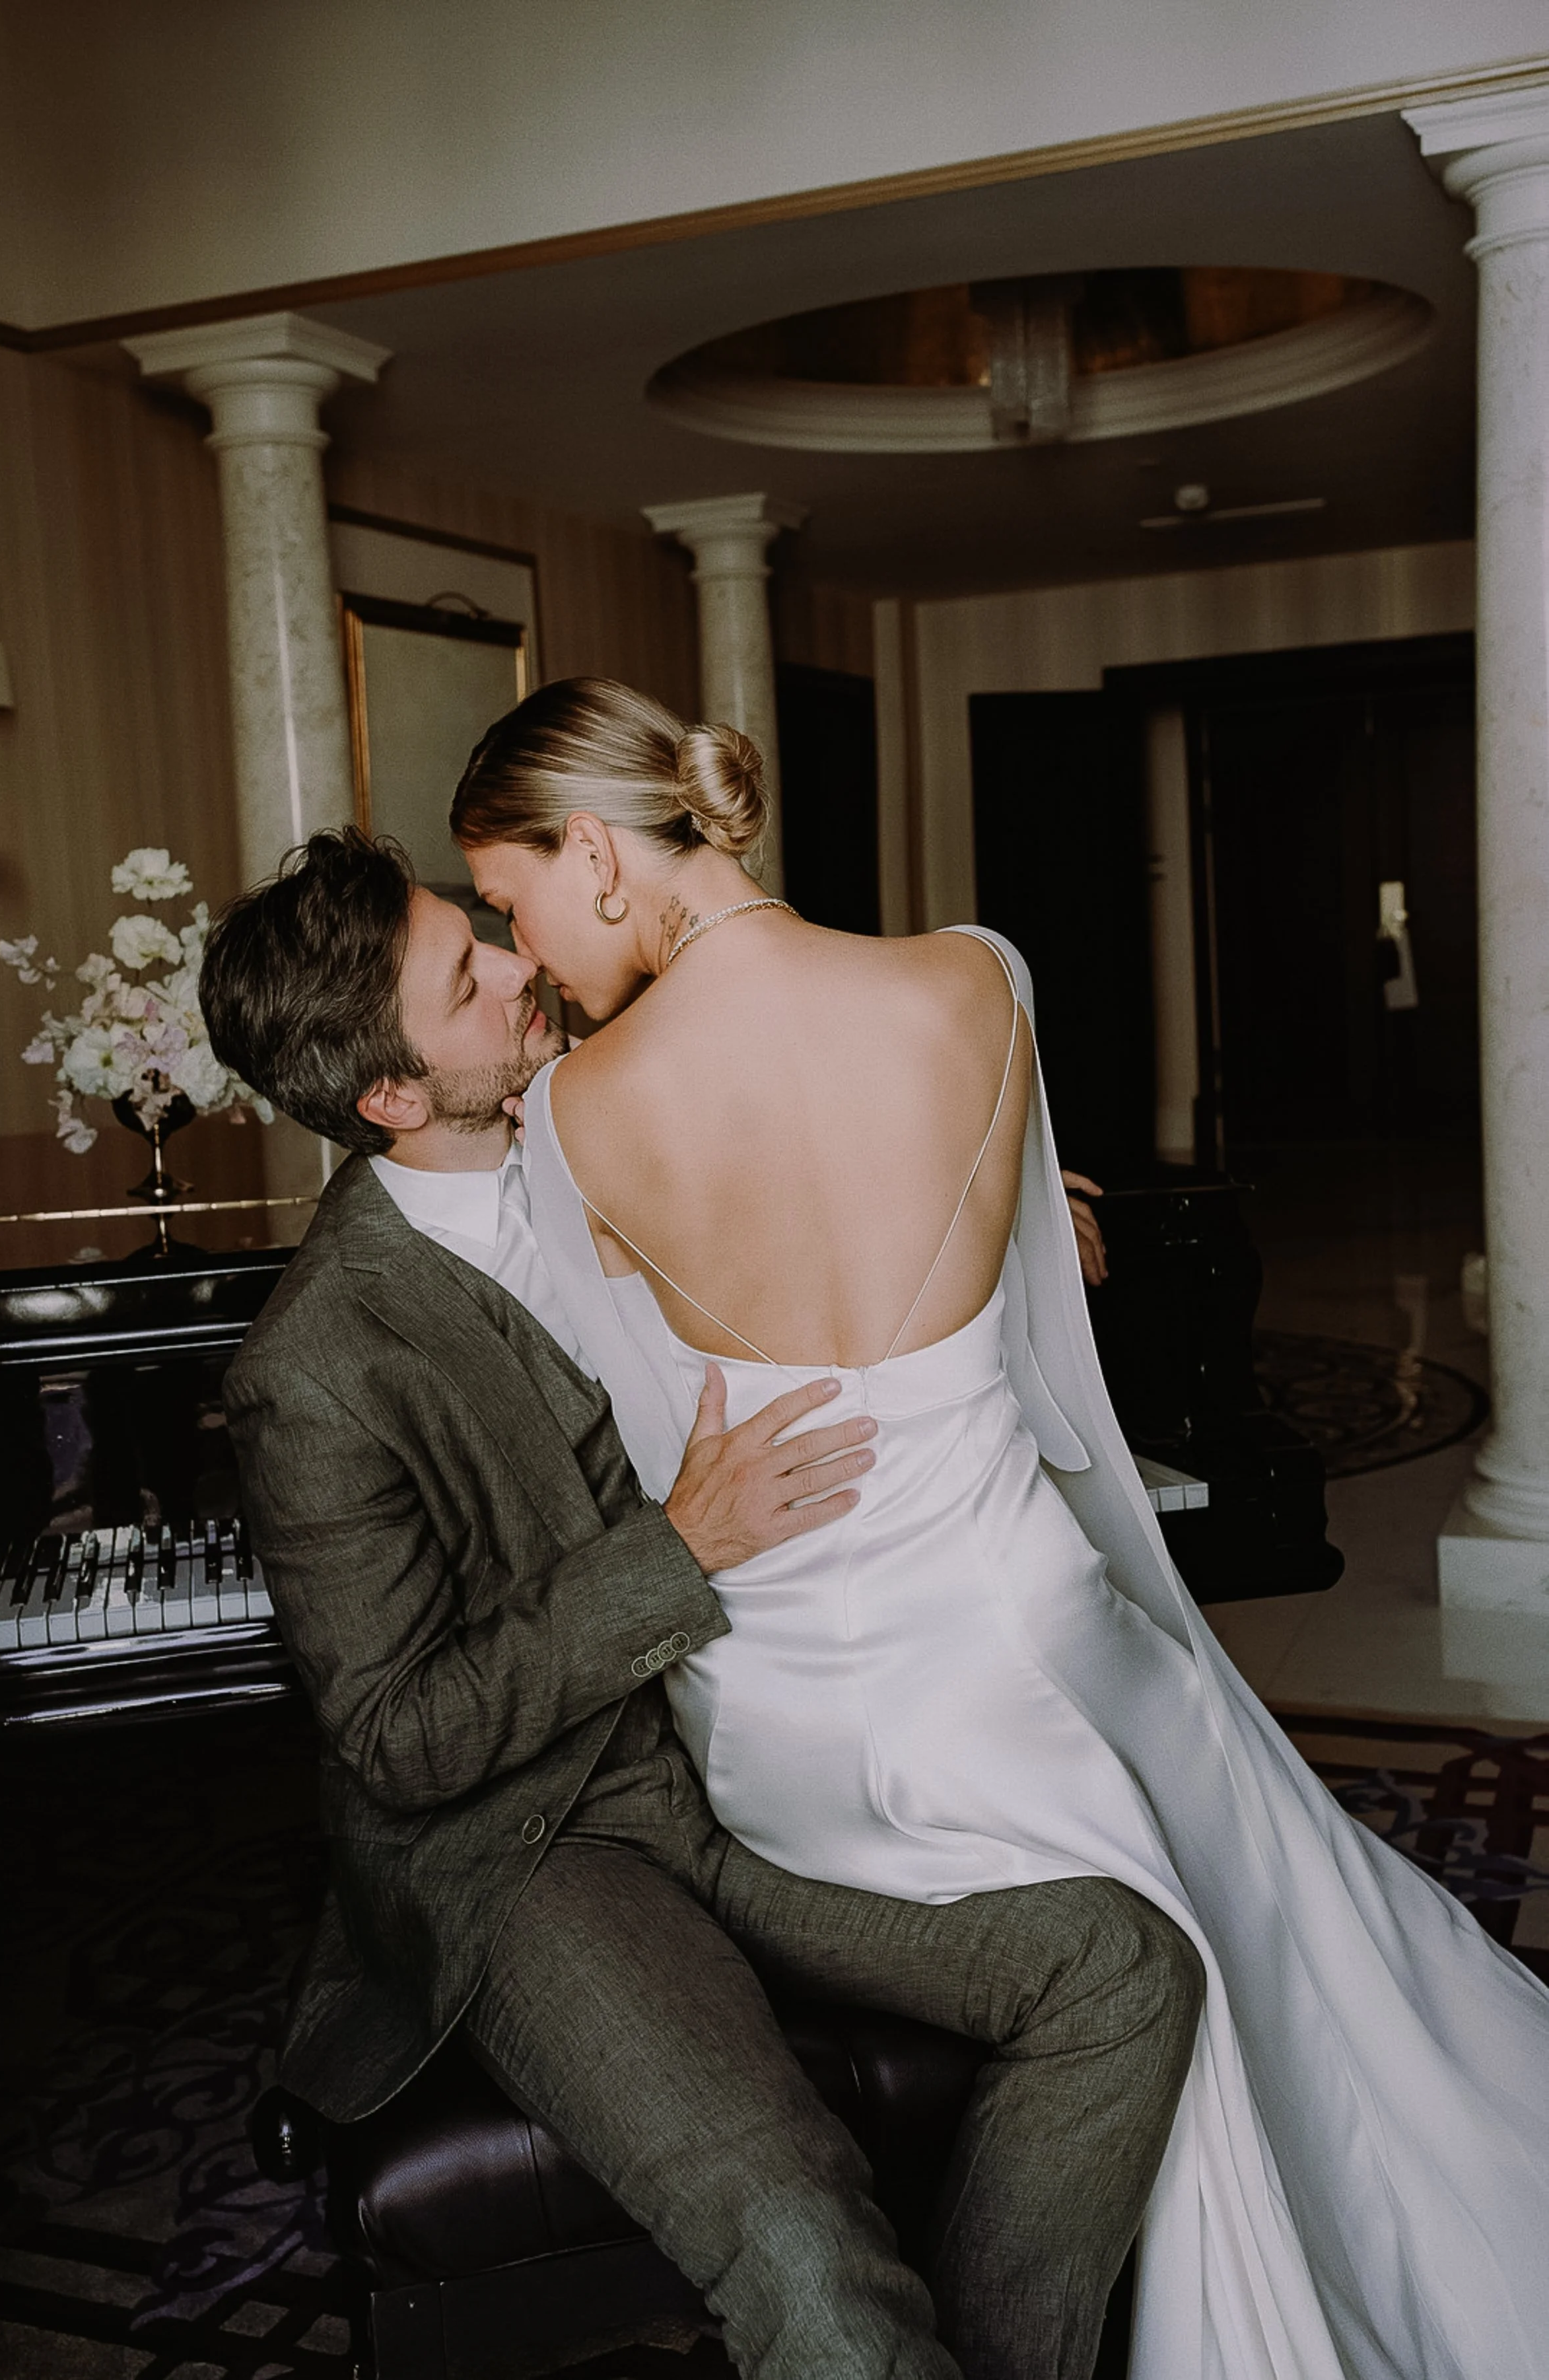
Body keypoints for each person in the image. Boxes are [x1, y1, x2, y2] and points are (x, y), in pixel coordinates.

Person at [450, 675, 1549, 2380]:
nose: (518, 954)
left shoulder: (577, 1117)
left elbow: (667, 1460)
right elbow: (1039, 1354)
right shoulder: (973, 977)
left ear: (593, 851)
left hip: (808, 1719)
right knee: (1229, 1811)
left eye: (507, 900)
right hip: (1038, 1618)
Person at [198, 828, 1202, 2380]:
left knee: (1124, 1975)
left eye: (485, 928)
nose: (521, 962)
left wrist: (1008, 1236)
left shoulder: (625, 1115)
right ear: (388, 1094)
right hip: (541, 1851)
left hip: (755, 1766)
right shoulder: (317, 1366)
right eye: (465, 977)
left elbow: (860, 1227)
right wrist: (674, 1549)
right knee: (798, 2234)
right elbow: (397, 1737)